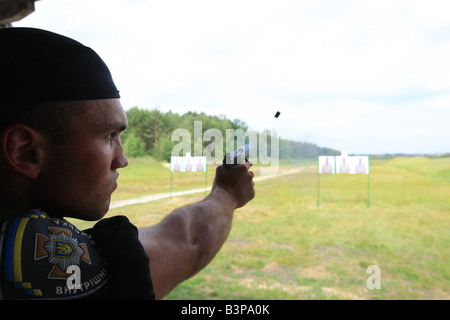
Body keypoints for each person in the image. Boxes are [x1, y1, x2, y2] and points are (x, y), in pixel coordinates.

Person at [0, 27, 255, 300]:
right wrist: (227, 194)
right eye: (109, 136)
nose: (122, 159)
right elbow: (183, 244)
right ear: (25, 151)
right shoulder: (17, 253)